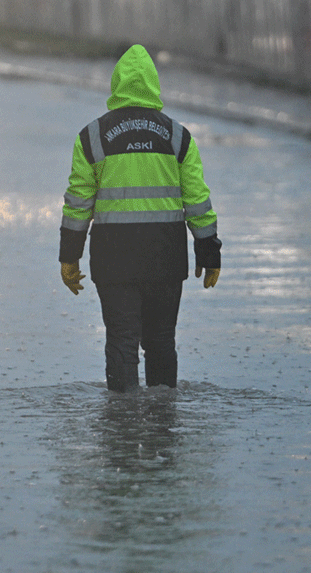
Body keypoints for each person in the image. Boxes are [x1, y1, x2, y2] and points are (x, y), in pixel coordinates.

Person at [59, 44, 221, 392]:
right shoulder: (178, 137)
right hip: (165, 257)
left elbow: (78, 203)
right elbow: (197, 201)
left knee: (122, 341)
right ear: (153, 85)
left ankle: (122, 428)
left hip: (114, 258)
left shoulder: (92, 137)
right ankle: (164, 425)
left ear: (116, 84)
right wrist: (210, 253)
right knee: (161, 341)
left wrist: (69, 257)